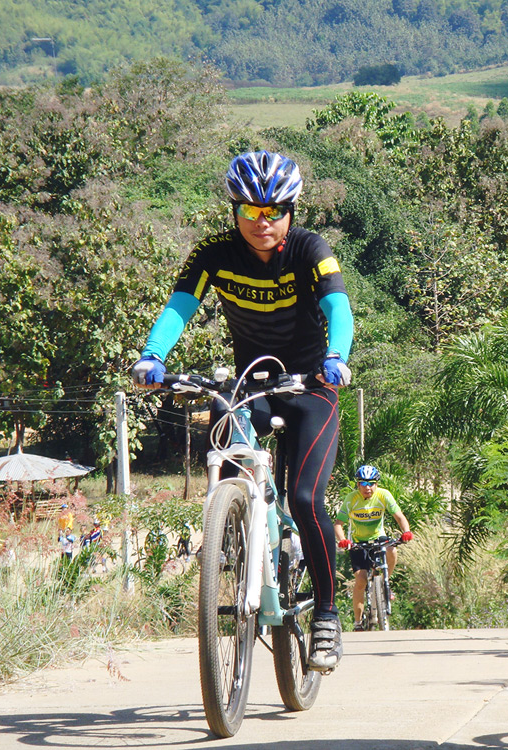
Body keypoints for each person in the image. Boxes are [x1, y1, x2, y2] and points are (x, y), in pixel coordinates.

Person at [131, 150, 354, 672]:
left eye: (274, 211)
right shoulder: (213, 253)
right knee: (222, 417)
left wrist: (337, 356)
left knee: (305, 498)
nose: (262, 222)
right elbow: (180, 306)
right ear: (234, 211)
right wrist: (153, 355)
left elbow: (337, 306)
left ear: (291, 212)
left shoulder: (310, 249)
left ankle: (326, 614)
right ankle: (232, 529)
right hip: (252, 385)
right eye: (250, 211)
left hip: (311, 385)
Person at [334, 465, 413, 631]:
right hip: (358, 541)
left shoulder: (384, 495)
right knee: (361, 580)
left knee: (392, 550)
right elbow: (338, 524)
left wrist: (406, 531)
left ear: (377, 484)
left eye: (371, 483)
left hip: (378, 537)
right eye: (363, 483)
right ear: (358, 485)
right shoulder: (351, 499)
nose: (367, 487)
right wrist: (343, 540)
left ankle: (385, 581)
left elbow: (399, 516)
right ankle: (358, 622)